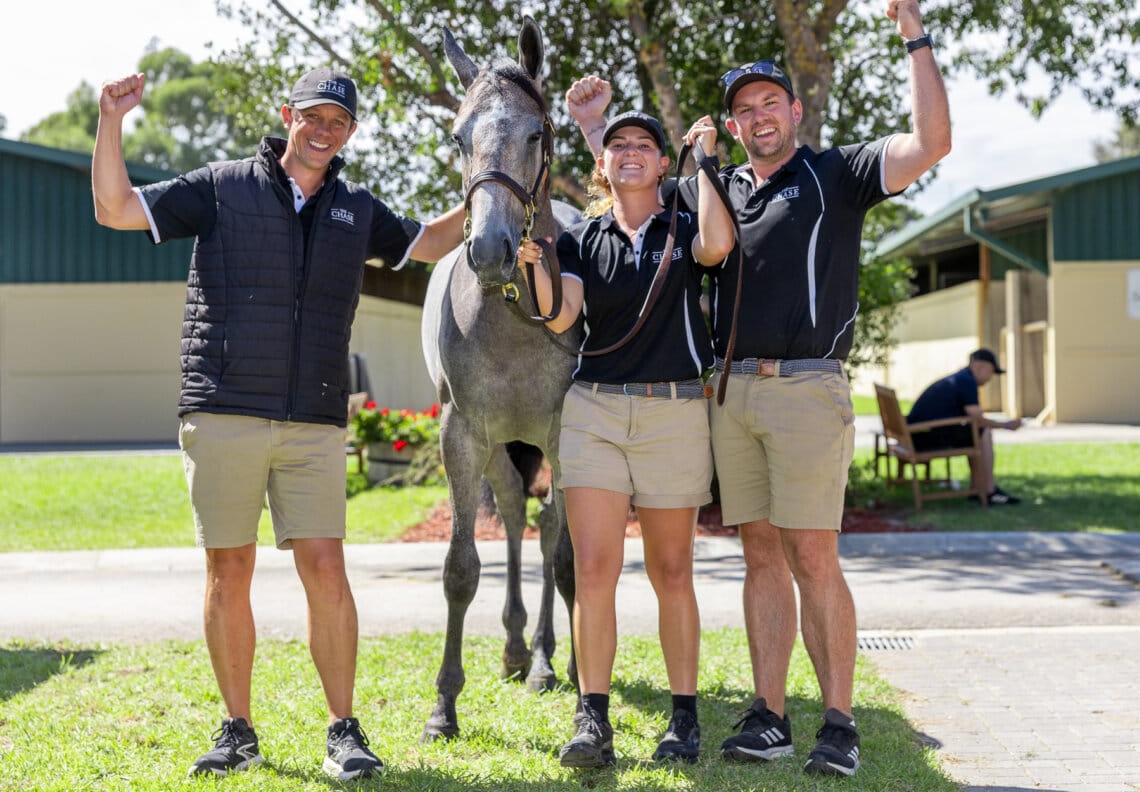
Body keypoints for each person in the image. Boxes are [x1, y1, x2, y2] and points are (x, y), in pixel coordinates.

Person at [568, 0, 950, 777]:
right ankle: (769, 714)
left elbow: (931, 143)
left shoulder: (837, 173)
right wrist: (591, 129)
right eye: (743, 109)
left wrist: (913, 36)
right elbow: (627, 187)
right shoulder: (713, 186)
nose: (758, 115)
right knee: (761, 558)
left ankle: (837, 721)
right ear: (733, 126)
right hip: (729, 393)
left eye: (769, 100)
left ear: (795, 108)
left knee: (813, 556)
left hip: (807, 386)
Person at [91, 68, 465, 779]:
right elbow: (114, 208)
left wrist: (490, 187)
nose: (325, 131)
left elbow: (428, 243)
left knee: (326, 568)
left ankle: (343, 730)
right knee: (228, 571)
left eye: (340, 122)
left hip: (313, 419)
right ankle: (237, 729)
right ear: (287, 114)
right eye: (314, 116)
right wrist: (111, 120)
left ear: (351, 133)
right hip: (224, 408)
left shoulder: (356, 206)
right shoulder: (221, 186)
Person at [518, 108, 734, 767]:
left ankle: (683, 719)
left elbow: (719, 249)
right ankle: (593, 720)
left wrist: (708, 166)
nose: (630, 152)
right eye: (617, 146)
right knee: (592, 570)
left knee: (672, 569)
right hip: (595, 413)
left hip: (673, 413)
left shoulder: (689, 223)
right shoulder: (582, 239)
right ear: (602, 165)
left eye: (643, 145)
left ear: (663, 164)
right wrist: (533, 267)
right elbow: (560, 318)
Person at [907, 348, 1023, 504]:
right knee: (983, 432)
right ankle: (988, 490)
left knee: (975, 432)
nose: (990, 378)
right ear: (980, 366)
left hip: (915, 435)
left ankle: (979, 488)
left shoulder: (960, 378)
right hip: (923, 437)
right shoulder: (966, 381)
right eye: (991, 372)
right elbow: (977, 419)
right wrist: (1006, 425)